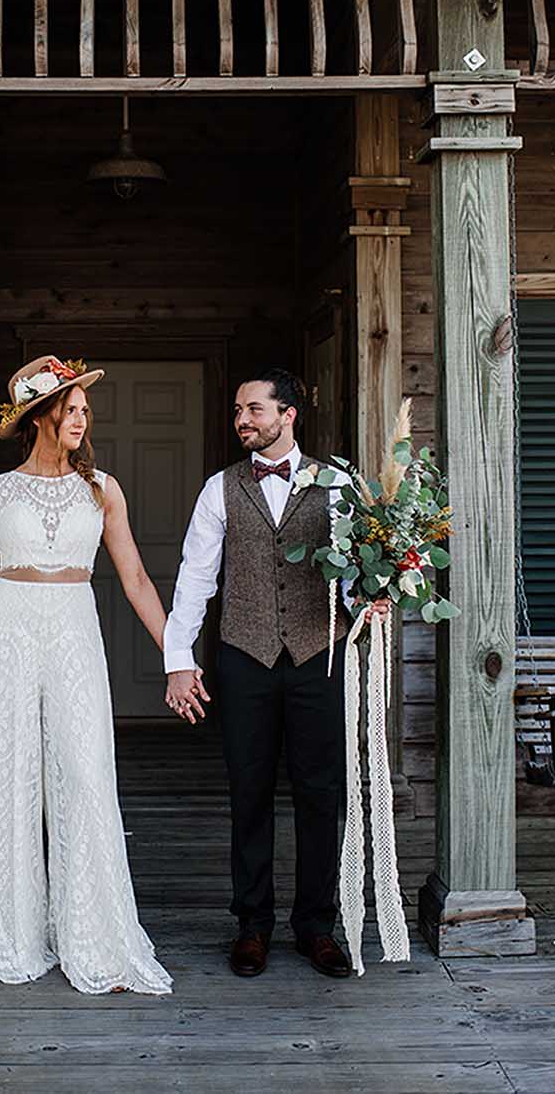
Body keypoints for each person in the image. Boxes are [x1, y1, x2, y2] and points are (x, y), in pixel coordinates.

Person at [0, 354, 172, 996]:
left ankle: (97, 939)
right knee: (3, 777)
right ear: (40, 416)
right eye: (69, 407)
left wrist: (175, 654)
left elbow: (134, 579)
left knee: (84, 774)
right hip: (7, 631)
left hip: (74, 631)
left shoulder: (103, 489)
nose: (81, 417)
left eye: (84, 409)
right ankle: (6, 935)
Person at [163, 368, 390, 980]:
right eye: (238, 411)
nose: (242, 420)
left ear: (288, 414)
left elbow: (353, 574)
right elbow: (194, 579)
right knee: (250, 793)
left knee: (322, 794)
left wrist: (371, 597)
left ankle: (316, 926)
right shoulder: (219, 489)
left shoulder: (339, 485)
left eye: (254, 409)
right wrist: (178, 659)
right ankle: (252, 925)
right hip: (245, 657)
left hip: (321, 656)